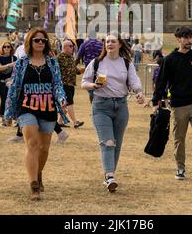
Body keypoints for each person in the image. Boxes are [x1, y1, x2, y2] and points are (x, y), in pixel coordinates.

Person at [4, 27, 68, 201]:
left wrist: (62, 99)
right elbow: (15, 88)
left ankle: (38, 173)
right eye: (36, 40)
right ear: (30, 42)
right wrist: (8, 113)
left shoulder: (52, 63)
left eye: (43, 40)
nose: (40, 43)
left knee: (44, 148)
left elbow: (58, 85)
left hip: (48, 108)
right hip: (26, 107)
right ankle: (33, 185)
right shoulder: (21, 63)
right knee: (32, 144)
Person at [81, 32, 145, 193]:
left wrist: (139, 92)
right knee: (108, 141)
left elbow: (134, 80)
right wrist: (94, 86)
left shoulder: (126, 63)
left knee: (116, 143)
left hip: (121, 106)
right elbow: (84, 82)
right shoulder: (97, 63)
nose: (109, 44)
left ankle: (110, 175)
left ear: (120, 44)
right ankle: (110, 176)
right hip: (101, 105)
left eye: (113, 41)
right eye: (107, 41)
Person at [152, 26, 192, 181]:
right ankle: (180, 168)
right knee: (179, 138)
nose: (188, 40)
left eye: (190, 37)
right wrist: (156, 100)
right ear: (178, 39)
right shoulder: (170, 59)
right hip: (178, 104)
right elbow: (161, 82)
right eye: (185, 37)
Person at [57, 39, 85, 129]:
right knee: (69, 103)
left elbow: (75, 70)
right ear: (65, 47)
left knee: (65, 105)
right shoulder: (59, 57)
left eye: (72, 46)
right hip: (64, 84)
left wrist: (85, 69)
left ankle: (59, 122)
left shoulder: (71, 57)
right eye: (71, 46)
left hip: (71, 84)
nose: (73, 48)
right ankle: (75, 122)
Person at [75, 31, 103, 103]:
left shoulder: (84, 44)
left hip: (89, 71)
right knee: (100, 89)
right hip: (100, 70)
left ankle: (94, 107)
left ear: (88, 36)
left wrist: (72, 67)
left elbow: (78, 58)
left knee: (91, 89)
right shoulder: (101, 45)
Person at [0, 42, 17, 126]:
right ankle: (3, 119)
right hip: (2, 83)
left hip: (12, 82)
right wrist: (9, 65)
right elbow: (0, 68)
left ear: (11, 48)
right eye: (4, 47)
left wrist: (11, 79)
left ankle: (14, 119)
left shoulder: (14, 58)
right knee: (4, 100)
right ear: (2, 48)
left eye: (8, 47)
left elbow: (17, 71)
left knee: (13, 100)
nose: (6, 48)